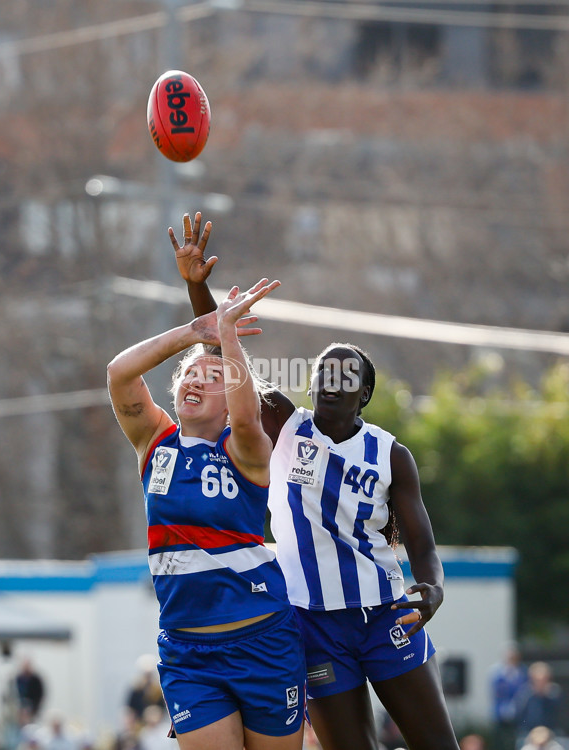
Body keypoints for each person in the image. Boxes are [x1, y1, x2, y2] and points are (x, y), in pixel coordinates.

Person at [171, 211, 461, 750]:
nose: (332, 381)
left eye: (346, 375)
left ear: (364, 395)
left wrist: (434, 587)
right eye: (323, 371)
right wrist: (198, 287)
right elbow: (223, 356)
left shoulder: (390, 454)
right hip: (312, 621)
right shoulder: (284, 423)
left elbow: (420, 541)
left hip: (383, 613)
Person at [107, 275, 307, 750]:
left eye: (212, 377)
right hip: (187, 651)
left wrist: (230, 337)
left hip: (264, 641)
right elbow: (118, 373)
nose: (196, 377)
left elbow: (245, 417)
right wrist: (195, 334)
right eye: (189, 374)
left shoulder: (247, 449)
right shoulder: (153, 441)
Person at [490, 643, 528, 750]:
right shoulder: (498, 673)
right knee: (500, 741)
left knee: (515, 740)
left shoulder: (522, 672)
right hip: (500, 713)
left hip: (517, 714)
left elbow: (523, 692)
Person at [516, 662, 564, 745]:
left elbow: (560, 718)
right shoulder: (524, 695)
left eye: (544, 680)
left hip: (552, 734)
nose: (541, 683)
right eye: (537, 680)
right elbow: (520, 719)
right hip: (529, 734)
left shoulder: (555, 694)